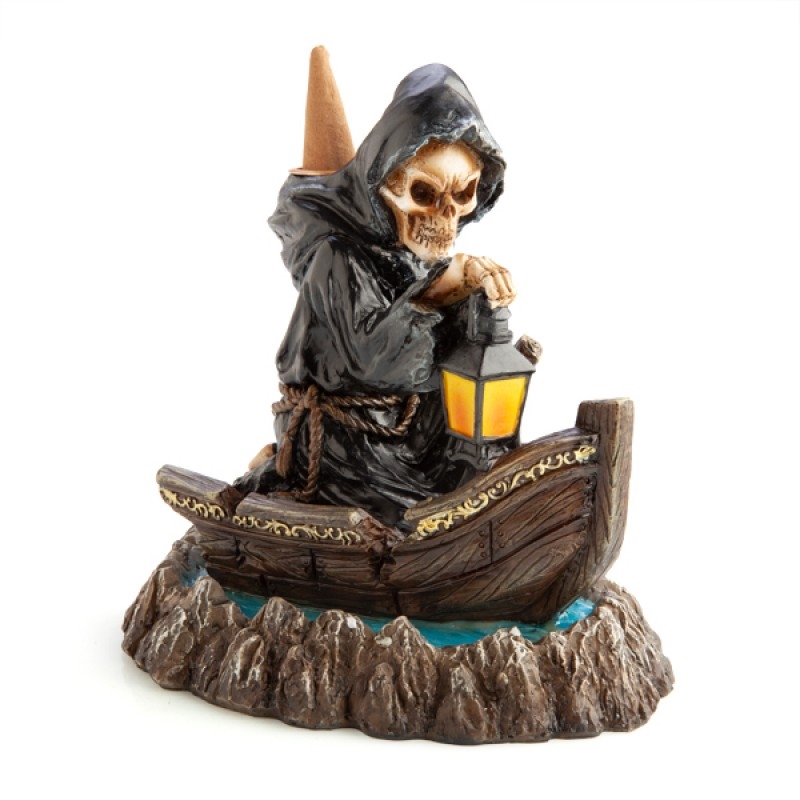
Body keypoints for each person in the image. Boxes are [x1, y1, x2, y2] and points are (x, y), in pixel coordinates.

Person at [234, 62, 515, 526]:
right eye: (424, 193)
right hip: (347, 448)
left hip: (413, 439)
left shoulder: (418, 260)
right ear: (382, 185)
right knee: (409, 516)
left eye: (464, 194)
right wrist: (438, 291)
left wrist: (479, 313)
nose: (446, 216)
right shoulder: (337, 258)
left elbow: (451, 363)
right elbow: (370, 362)